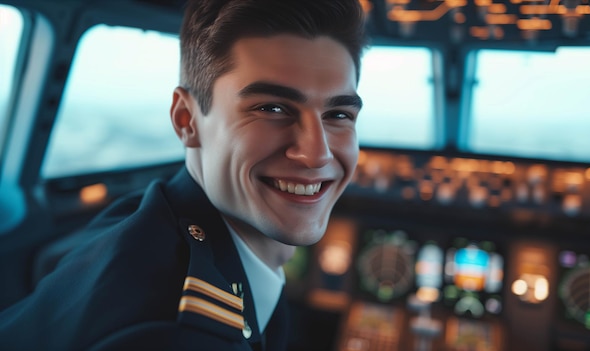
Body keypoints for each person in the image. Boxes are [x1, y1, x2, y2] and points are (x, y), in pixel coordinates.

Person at [0, 0, 367, 350]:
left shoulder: (150, 215)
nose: (315, 154)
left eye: (338, 115)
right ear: (186, 119)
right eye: (272, 108)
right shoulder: (178, 335)